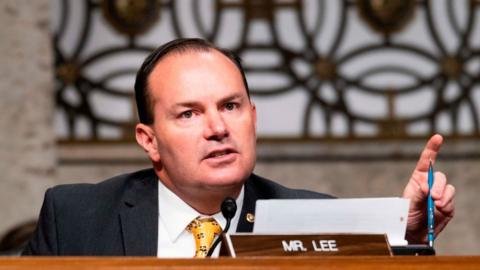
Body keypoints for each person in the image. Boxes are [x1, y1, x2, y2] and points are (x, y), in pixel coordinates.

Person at [22, 38, 455, 257]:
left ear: (253, 117)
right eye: (188, 113)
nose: (217, 128)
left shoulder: (315, 221)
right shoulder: (75, 219)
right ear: (148, 140)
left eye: (230, 106)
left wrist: (406, 238)